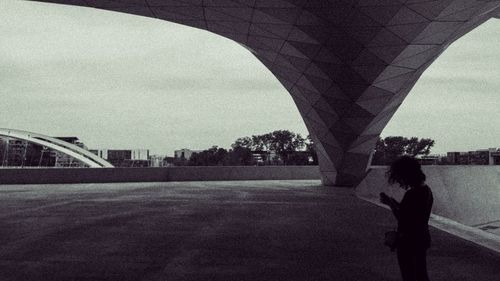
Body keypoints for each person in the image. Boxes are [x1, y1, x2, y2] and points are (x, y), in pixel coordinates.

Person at [380, 156, 433, 281]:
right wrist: (395, 203)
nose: (399, 181)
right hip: (421, 238)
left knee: (409, 275)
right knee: (420, 274)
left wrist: (390, 204)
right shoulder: (425, 190)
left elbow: (404, 219)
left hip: (409, 242)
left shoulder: (412, 193)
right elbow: (413, 213)